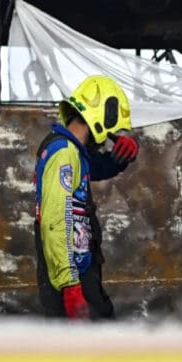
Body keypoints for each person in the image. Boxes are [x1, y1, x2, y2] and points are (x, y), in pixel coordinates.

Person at [33, 75, 139, 320]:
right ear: (102, 116)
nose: (108, 136)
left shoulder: (73, 152)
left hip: (80, 275)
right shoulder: (63, 153)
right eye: (110, 128)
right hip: (71, 282)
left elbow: (98, 167)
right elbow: (55, 221)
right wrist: (69, 285)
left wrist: (121, 158)